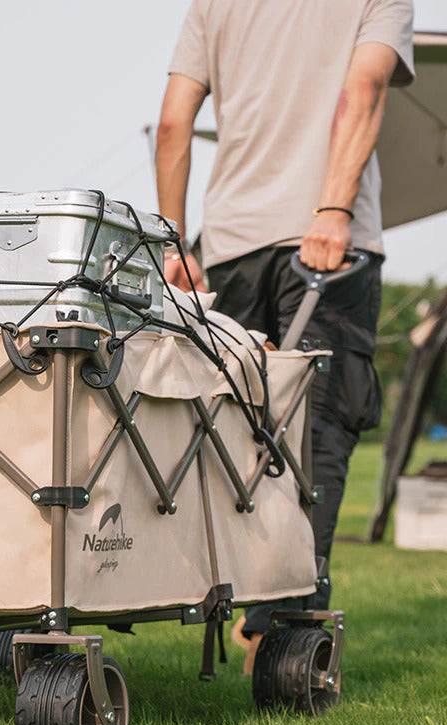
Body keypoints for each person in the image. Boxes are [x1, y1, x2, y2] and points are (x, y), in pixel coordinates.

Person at [155, 0, 414, 670]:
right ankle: (282, 628)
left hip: (233, 243)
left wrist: (173, 242)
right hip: (323, 240)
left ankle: (251, 607)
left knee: (238, 429)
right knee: (320, 423)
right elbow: (364, 88)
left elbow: (174, 123)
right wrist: (333, 209)